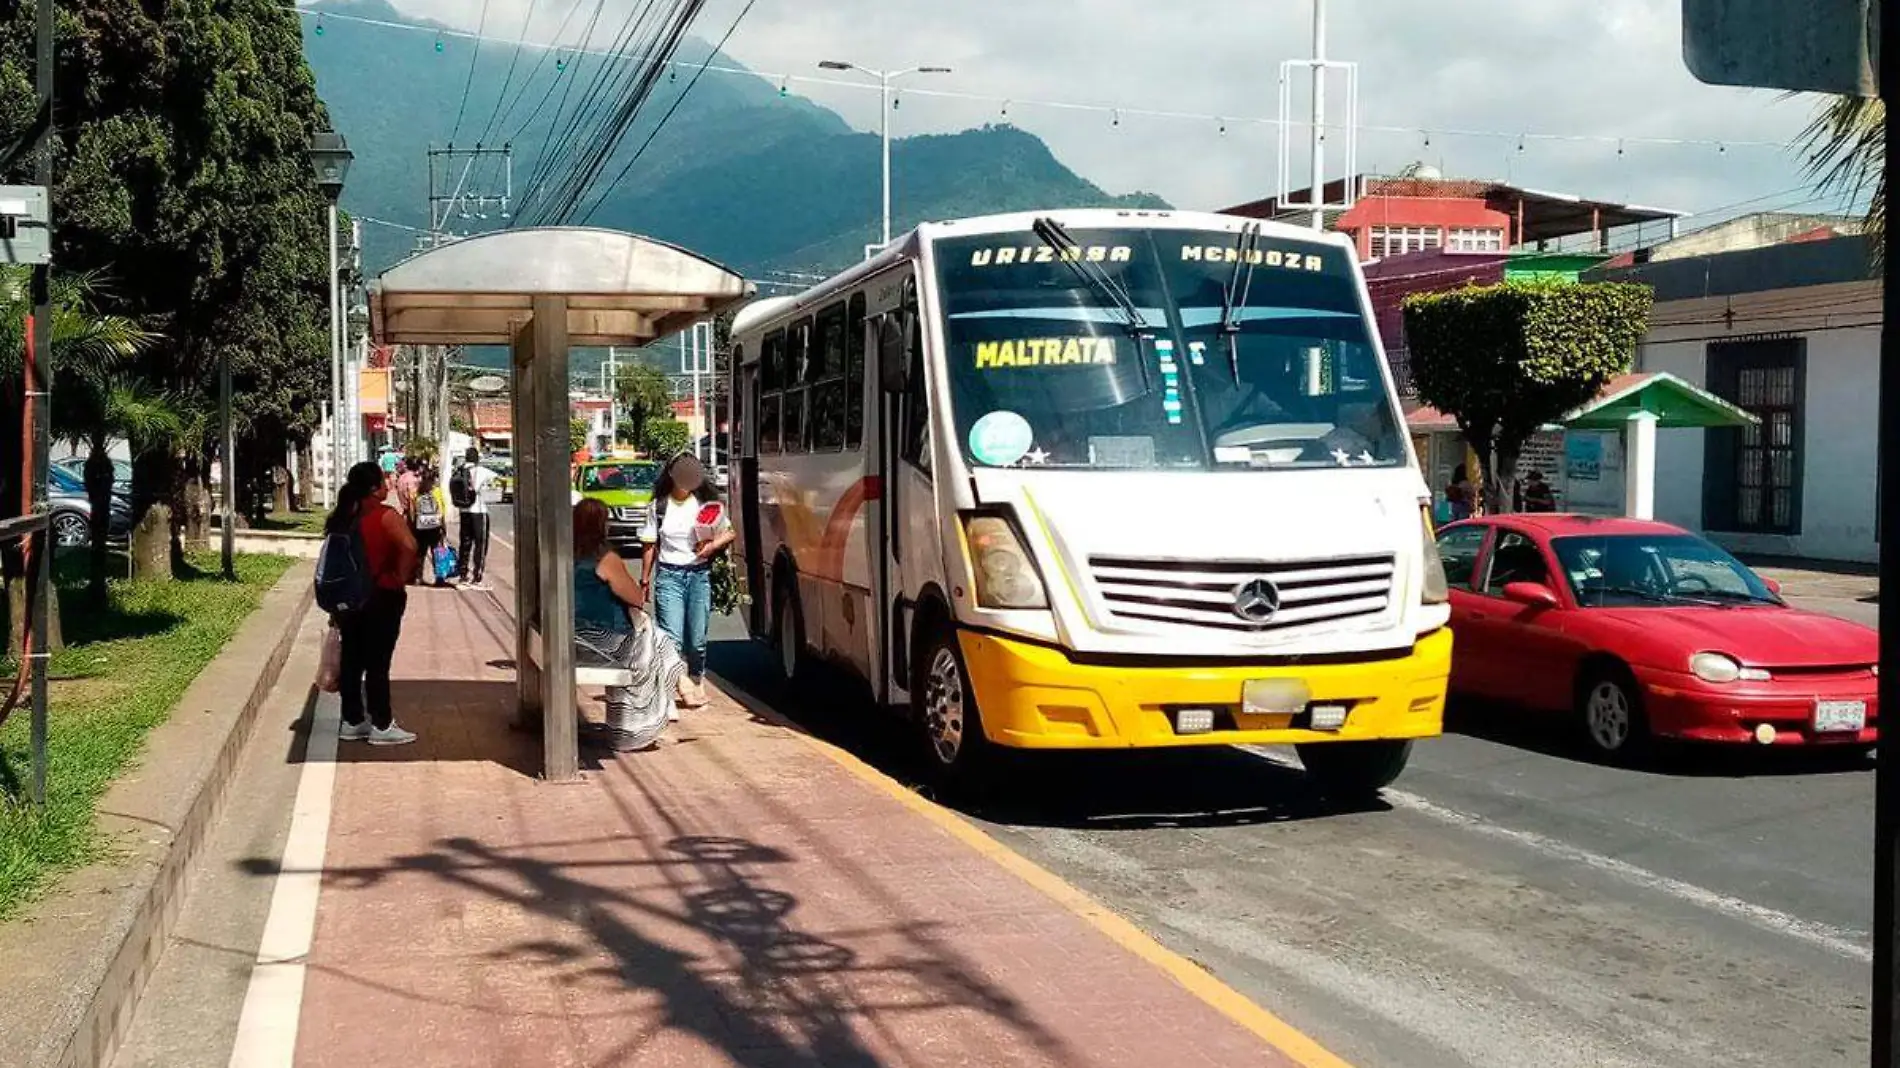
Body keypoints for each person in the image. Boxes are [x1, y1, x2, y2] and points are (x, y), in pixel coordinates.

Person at [573, 499, 688, 748]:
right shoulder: (605, 558)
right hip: (601, 642)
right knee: (650, 646)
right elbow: (636, 598)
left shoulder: (565, 555)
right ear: (601, 526)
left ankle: (681, 684)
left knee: (651, 637)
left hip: (571, 638)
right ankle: (636, 730)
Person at [326, 461, 419, 746]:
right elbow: (409, 547)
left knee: (352, 659)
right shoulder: (384, 516)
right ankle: (381, 724)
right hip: (381, 595)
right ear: (374, 488)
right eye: (382, 480)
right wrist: (399, 576)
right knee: (378, 663)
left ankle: (352, 721)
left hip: (348, 599)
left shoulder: (341, 516)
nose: (387, 484)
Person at [641, 454, 735, 708]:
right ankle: (680, 683)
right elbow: (649, 545)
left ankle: (695, 677)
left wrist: (710, 547)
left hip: (698, 575)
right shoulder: (658, 507)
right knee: (672, 638)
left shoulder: (706, 505)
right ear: (671, 474)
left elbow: (729, 532)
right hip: (669, 576)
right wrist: (644, 581)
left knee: (697, 640)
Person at [452, 447, 496, 588]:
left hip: (464, 511)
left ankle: (463, 575)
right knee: (480, 544)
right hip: (479, 511)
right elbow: (496, 478)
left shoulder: (458, 471)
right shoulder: (481, 471)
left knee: (465, 543)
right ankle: (477, 576)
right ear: (477, 458)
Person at [410, 465, 450, 586]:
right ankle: (439, 579)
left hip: (421, 526)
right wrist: (443, 527)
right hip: (435, 526)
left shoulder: (416, 491)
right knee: (437, 552)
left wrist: (414, 524)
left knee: (421, 553)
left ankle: (418, 577)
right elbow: (442, 510)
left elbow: (413, 510)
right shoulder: (437, 491)